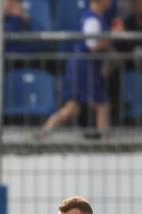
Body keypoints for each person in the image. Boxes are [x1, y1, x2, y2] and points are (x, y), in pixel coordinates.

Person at [39, 0, 112, 138]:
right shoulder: (92, 20)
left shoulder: (94, 17)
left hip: (80, 68)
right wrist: (108, 41)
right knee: (102, 105)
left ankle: (45, 131)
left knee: (72, 108)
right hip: (84, 69)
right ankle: (106, 140)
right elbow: (92, 46)